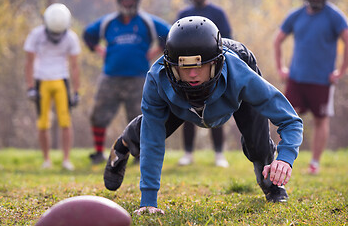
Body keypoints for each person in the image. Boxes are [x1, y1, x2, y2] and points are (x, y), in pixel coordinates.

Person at [103, 16, 303, 214]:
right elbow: (152, 140)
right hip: (179, 102)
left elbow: (290, 120)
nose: (192, 75)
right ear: (171, 65)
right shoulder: (158, 78)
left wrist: (285, 157)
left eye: (199, 66)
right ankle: (123, 145)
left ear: (216, 63)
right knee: (150, 130)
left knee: (258, 145)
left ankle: (272, 184)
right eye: (185, 67)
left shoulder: (240, 73)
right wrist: (148, 200)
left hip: (234, 88)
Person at [83, 0, 171, 164]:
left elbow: (170, 33)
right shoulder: (108, 22)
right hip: (110, 77)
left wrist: (156, 51)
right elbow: (88, 34)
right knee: (98, 114)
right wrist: (98, 49)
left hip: (138, 78)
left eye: (131, 0)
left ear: (137, 2)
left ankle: (139, 155)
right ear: (119, 1)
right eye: (125, 0)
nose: (128, 4)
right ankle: (98, 153)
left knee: (139, 117)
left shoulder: (146, 21)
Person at [273, 0, 348, 175]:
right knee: (285, 117)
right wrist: (281, 67)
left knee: (320, 120)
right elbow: (278, 40)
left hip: (322, 80)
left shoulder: (334, 16)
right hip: (296, 79)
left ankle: (314, 164)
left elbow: (347, 39)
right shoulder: (296, 15)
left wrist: (341, 71)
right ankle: (278, 159)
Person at [176, 0, 233, 168]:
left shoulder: (217, 13)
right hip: (188, 68)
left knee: (215, 108)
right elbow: (175, 39)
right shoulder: (184, 13)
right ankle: (188, 153)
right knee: (188, 110)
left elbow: (227, 40)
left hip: (211, 68)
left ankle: (218, 153)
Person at [24, 3, 81, 171]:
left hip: (61, 81)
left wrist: (76, 91)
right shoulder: (36, 35)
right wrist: (30, 87)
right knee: (43, 123)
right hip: (41, 81)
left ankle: (66, 159)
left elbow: (75, 65)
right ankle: (46, 160)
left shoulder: (71, 37)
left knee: (65, 121)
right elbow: (28, 62)